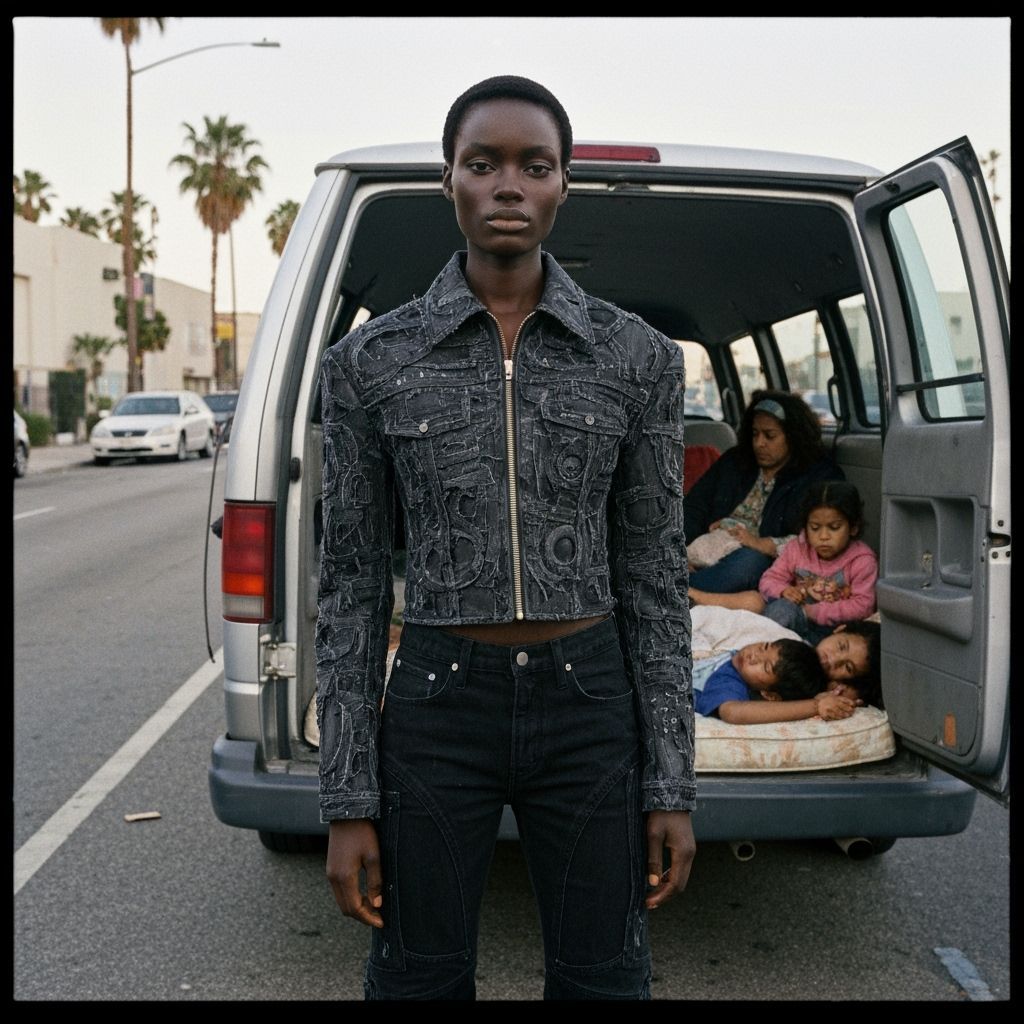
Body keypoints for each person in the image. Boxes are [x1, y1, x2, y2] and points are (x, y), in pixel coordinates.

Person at [315, 76, 695, 1001]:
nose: (508, 185)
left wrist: (672, 784)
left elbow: (652, 574)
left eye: (535, 164)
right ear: (450, 180)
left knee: (604, 977)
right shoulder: (373, 362)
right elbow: (352, 581)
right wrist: (347, 801)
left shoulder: (635, 357)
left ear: (564, 183)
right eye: (483, 164)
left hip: (590, 698)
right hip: (439, 702)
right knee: (420, 976)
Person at [683, 389, 844, 593]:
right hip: (705, 548)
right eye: (755, 434)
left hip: (759, 559)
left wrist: (764, 544)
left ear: (793, 437)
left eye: (770, 436)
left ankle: (680, 593)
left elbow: (819, 536)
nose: (759, 443)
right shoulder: (734, 462)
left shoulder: (819, 475)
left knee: (749, 563)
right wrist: (678, 553)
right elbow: (694, 507)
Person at [757, 480, 878, 644]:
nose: (823, 537)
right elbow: (768, 580)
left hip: (835, 631)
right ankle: (767, 651)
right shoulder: (797, 549)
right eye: (814, 528)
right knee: (781, 609)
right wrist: (783, 590)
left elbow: (863, 606)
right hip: (795, 620)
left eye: (834, 527)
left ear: (853, 527)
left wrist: (815, 612)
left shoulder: (863, 560)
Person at [693, 637, 856, 723]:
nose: (754, 655)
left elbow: (733, 712)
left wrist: (816, 705)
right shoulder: (738, 668)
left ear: (770, 696)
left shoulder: (729, 681)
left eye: (766, 667)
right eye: (764, 647)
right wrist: (816, 704)